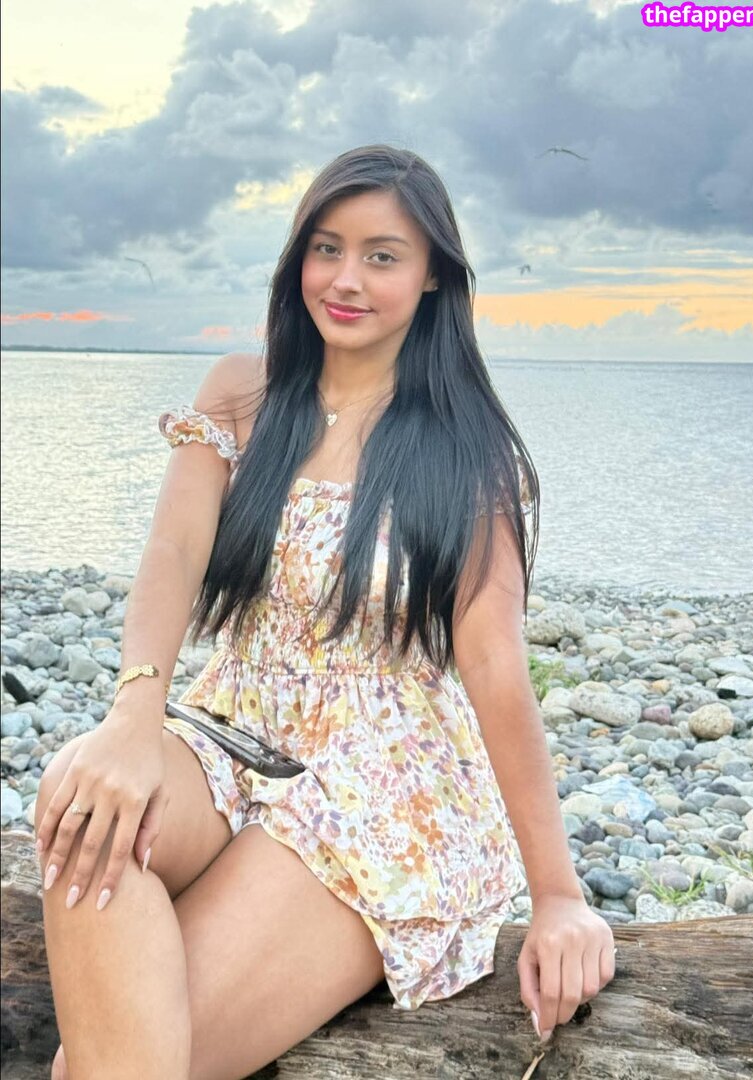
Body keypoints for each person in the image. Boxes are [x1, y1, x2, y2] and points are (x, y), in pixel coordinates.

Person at [34, 143, 615, 1080]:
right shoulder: (242, 393)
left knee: (96, 1066)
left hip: (382, 783)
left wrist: (558, 895)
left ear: (433, 277)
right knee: (78, 793)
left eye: (383, 256)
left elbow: (495, 662)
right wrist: (133, 718)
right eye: (327, 248)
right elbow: (172, 554)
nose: (346, 280)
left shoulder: (466, 452)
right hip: (231, 726)